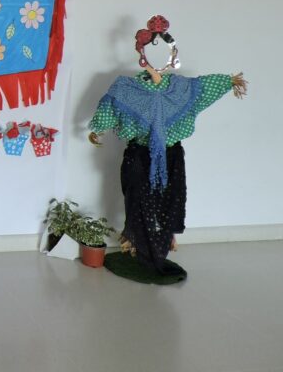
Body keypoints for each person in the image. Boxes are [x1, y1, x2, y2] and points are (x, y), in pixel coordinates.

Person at [89, 15, 247, 281]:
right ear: (143, 52)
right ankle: (144, 251)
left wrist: (229, 81)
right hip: (149, 157)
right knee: (141, 202)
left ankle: (156, 250)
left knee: (160, 202)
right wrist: (97, 128)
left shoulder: (174, 88)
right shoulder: (137, 88)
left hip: (163, 157)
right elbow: (109, 108)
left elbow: (206, 86)